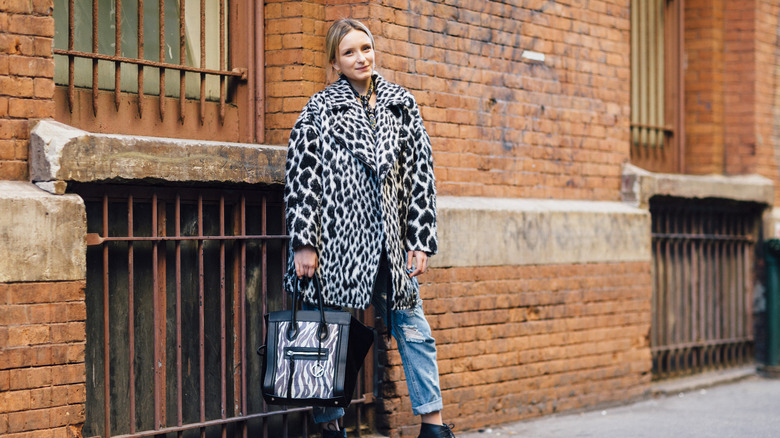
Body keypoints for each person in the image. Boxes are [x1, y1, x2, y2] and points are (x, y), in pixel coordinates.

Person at [283, 18, 455, 438]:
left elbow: (420, 178)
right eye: (349, 52)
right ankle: (331, 428)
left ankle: (433, 426)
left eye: (365, 48)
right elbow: (302, 177)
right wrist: (305, 242)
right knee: (327, 335)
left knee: (415, 330)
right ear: (335, 63)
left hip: (392, 248)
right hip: (337, 245)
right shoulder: (319, 109)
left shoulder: (401, 105)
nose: (361, 58)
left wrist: (420, 242)